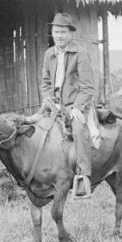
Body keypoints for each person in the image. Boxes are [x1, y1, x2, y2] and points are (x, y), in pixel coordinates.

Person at [41, 13, 96, 198]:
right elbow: (45, 82)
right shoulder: (49, 54)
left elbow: (88, 86)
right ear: (52, 32)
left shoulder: (81, 54)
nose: (59, 36)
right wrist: (48, 98)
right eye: (56, 32)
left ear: (70, 34)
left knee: (79, 131)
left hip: (75, 104)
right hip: (55, 104)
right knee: (37, 130)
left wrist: (77, 107)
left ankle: (83, 177)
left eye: (63, 32)